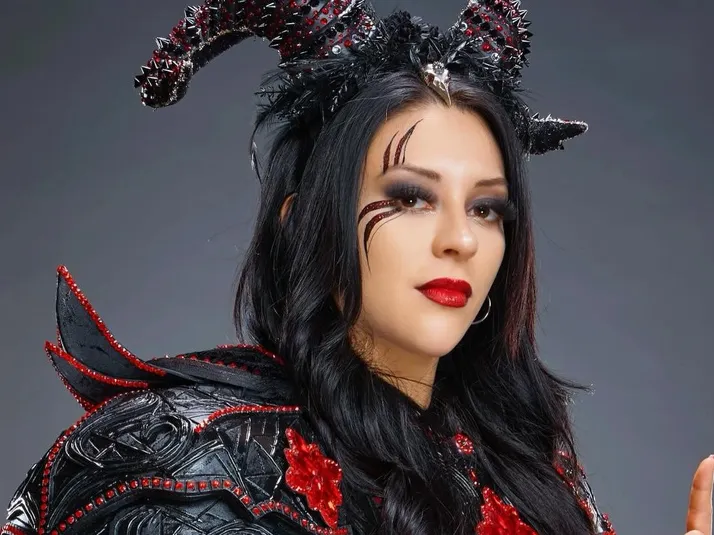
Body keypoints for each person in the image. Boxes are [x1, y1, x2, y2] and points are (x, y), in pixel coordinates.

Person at [2, 1, 712, 534]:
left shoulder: (532, 469)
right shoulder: (194, 463)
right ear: (304, 223)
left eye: (487, 208)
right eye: (409, 197)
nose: (460, 239)